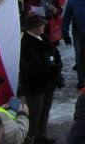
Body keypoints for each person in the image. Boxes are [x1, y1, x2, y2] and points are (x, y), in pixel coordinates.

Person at [18, 14, 62, 144]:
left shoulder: (43, 37)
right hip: (35, 86)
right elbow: (31, 66)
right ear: (33, 28)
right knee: (34, 115)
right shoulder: (25, 43)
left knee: (44, 112)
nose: (44, 26)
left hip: (48, 83)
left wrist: (56, 66)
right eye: (41, 25)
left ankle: (41, 137)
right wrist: (51, 70)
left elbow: (55, 53)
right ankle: (29, 139)